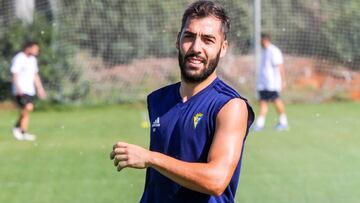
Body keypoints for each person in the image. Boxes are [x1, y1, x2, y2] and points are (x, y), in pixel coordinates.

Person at [110, 1, 254, 202]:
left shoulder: (230, 106)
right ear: (178, 41)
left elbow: (216, 180)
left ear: (223, 48)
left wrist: (151, 158)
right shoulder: (158, 99)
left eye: (208, 40)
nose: (196, 48)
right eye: (189, 36)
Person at [11, 41, 46, 141]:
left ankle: (22, 131)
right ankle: (17, 127)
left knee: (27, 110)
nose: (37, 51)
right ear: (28, 48)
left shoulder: (33, 60)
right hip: (20, 90)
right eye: (35, 49)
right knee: (28, 107)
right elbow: (14, 73)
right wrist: (17, 87)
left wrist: (40, 89)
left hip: (30, 90)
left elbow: (35, 75)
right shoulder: (19, 58)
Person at [253, 33, 289, 131]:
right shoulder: (263, 51)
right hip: (263, 83)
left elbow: (280, 66)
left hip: (272, 84)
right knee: (263, 102)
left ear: (265, 40)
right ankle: (260, 124)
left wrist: (283, 81)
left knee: (276, 101)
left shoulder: (274, 51)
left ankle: (283, 122)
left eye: (260, 40)